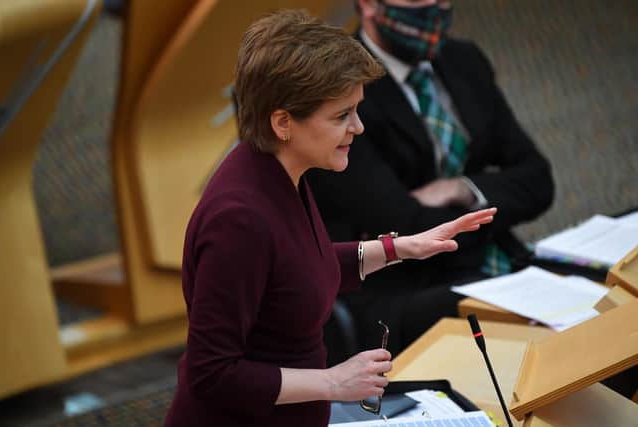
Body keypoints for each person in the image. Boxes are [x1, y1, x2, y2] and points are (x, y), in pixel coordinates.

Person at [164, 9, 497, 427]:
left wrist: (400, 248)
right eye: (342, 115)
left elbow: (295, 270)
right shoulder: (239, 220)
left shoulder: (279, 171)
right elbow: (211, 373)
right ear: (283, 122)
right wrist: (332, 383)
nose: (358, 127)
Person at [307, 0, 555, 356]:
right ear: (368, 5)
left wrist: (463, 189)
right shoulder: (339, 93)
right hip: (402, 290)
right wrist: (494, 198)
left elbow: (539, 180)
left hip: (497, 257)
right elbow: (407, 228)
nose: (437, 7)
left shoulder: (462, 59)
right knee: (529, 338)